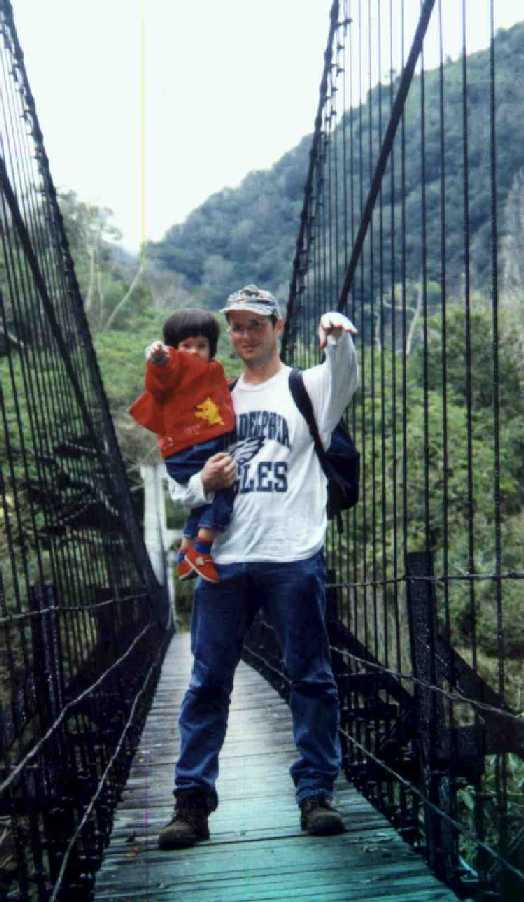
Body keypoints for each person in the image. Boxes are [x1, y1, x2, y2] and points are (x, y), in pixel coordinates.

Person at [158, 284, 359, 850]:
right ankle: (191, 804)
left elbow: (344, 373)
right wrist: (206, 483)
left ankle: (316, 793)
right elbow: (182, 489)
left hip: (292, 555)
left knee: (312, 679)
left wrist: (337, 335)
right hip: (223, 560)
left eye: (256, 325)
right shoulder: (211, 398)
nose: (246, 336)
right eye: (237, 327)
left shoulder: (309, 387)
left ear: (277, 325)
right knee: (205, 684)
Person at [129, 308, 236, 583]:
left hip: (193, 450)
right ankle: (202, 550)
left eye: (201, 346)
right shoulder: (173, 371)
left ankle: (186, 549)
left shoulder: (209, 374)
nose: (193, 352)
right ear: (174, 349)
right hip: (188, 452)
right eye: (185, 346)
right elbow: (160, 376)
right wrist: (159, 359)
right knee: (224, 490)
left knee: (203, 503)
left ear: (212, 349)